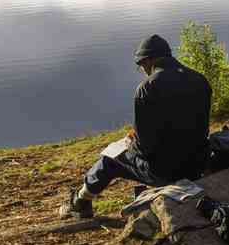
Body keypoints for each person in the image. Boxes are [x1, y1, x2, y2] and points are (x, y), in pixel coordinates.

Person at [58, 34, 212, 219]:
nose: (142, 69)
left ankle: (80, 203)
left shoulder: (147, 88)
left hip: (166, 171)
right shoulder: (199, 80)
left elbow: (146, 147)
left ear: (149, 60)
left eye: (141, 65)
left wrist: (131, 143)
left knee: (110, 158)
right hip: (197, 165)